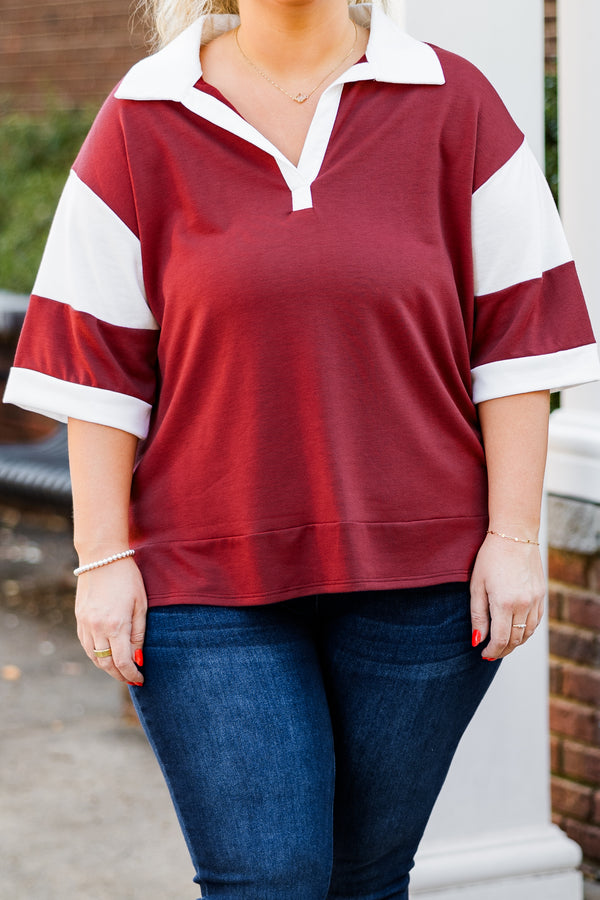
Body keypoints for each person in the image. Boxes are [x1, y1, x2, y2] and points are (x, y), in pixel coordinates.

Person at [5, 0, 600, 896]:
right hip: (201, 583)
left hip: (422, 581)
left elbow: (518, 339)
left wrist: (515, 539)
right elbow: (96, 360)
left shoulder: (453, 102)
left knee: (366, 878)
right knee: (269, 881)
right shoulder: (145, 114)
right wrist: (102, 557)